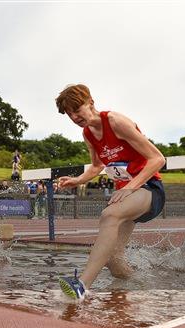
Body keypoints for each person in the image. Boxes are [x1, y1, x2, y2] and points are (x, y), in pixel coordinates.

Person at [55, 84, 166, 299]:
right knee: (114, 262)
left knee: (109, 214)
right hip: (127, 195)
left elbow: (157, 159)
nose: (74, 117)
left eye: (77, 110)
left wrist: (131, 186)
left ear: (91, 103)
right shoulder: (88, 134)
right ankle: (143, 288)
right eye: (69, 114)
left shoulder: (115, 122)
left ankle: (81, 286)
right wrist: (77, 180)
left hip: (149, 189)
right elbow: (97, 166)